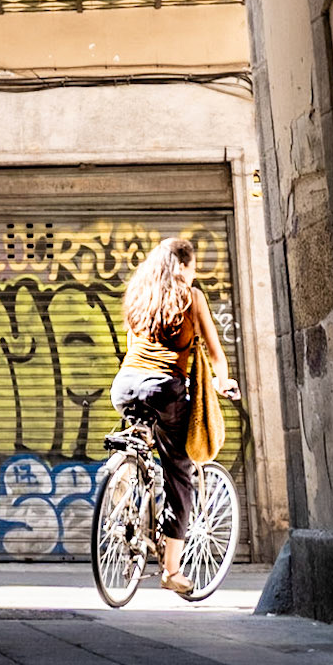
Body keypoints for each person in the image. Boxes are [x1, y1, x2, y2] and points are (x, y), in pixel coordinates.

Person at [109, 235, 236, 597]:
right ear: (183, 266)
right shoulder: (190, 297)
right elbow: (215, 353)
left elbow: (133, 345)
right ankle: (171, 570)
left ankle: (126, 473)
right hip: (164, 388)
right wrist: (223, 382)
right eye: (193, 269)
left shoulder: (139, 294)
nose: (194, 276)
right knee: (179, 472)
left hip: (124, 386)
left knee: (145, 434)